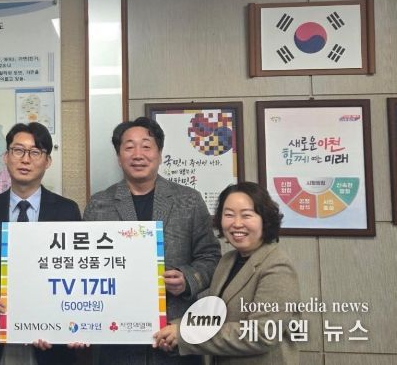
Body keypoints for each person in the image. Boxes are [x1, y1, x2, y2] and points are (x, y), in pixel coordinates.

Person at [83, 116, 221, 365]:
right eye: (129, 147)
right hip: (117, 340)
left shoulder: (188, 200)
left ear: (159, 153)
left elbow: (211, 257)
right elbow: (84, 267)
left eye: (146, 146)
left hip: (175, 336)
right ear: (119, 157)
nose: (138, 154)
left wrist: (187, 279)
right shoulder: (99, 204)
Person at [0, 122, 82, 365]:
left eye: (35, 152)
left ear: (47, 161)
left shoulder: (67, 211)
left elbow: (77, 274)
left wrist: (67, 323)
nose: (25, 159)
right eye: (18, 150)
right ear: (6, 157)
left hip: (51, 342)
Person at [153, 182, 301, 364]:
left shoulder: (277, 266)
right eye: (229, 215)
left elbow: (262, 333)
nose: (237, 224)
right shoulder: (227, 261)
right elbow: (214, 316)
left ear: (265, 219)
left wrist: (185, 334)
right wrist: (174, 327)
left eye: (246, 215)